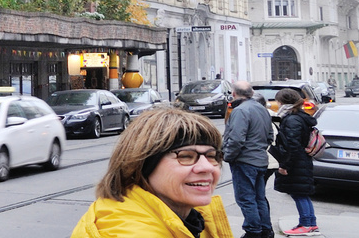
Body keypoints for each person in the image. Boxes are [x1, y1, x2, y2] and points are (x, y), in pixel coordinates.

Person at [69, 106, 234, 238]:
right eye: (186, 156)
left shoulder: (190, 218)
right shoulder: (128, 231)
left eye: (212, 156)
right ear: (141, 165)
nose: (206, 167)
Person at [222, 81, 274, 238]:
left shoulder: (240, 111)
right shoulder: (262, 109)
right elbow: (270, 136)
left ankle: (253, 231)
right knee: (259, 198)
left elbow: (236, 139)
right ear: (251, 93)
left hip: (244, 161)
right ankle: (266, 230)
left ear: (234, 94)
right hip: (260, 160)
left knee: (246, 199)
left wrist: (228, 156)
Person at [271, 88, 319, 236]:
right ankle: (310, 223)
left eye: (278, 101)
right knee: (302, 193)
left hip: (296, 162)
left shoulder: (292, 119)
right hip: (301, 160)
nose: (277, 104)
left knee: (299, 193)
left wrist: (285, 165)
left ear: (283, 102)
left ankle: (306, 224)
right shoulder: (299, 116)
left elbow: (291, 145)